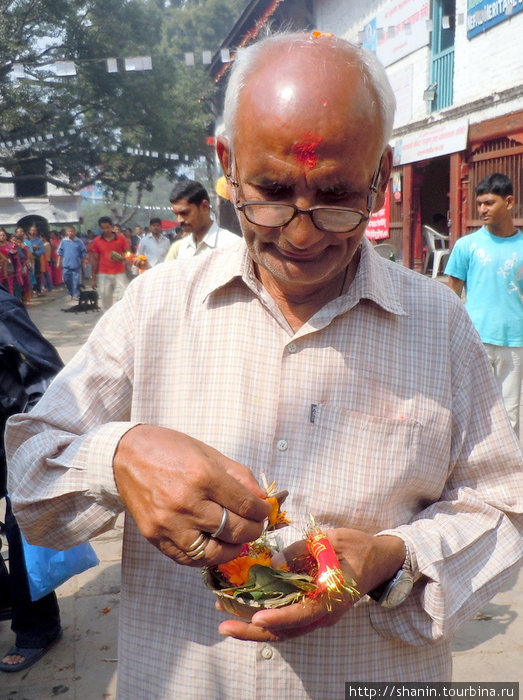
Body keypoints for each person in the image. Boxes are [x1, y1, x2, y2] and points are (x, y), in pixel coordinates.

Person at [5, 32, 522, 697]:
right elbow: (31, 480)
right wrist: (117, 456)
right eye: (271, 192)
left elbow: (502, 508)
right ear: (225, 161)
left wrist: (391, 559)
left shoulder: (439, 323)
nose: (302, 235)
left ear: (379, 171)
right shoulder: (155, 308)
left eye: (338, 195)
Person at [0, 286, 63, 672]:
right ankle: (6, 596)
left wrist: (29, 438)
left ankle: (38, 627)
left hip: (9, 437)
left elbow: (50, 372)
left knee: (20, 529)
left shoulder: (2, 308)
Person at [445, 173, 523, 437]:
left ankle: (505, 472)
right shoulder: (467, 246)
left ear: (509, 202)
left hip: (514, 343)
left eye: (489, 203)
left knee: (509, 415)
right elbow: (450, 294)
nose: (482, 210)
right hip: (474, 340)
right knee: (468, 411)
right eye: (479, 204)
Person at [165, 180, 239, 260]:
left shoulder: (232, 244)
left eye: (185, 213)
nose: (179, 220)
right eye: (176, 214)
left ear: (204, 207)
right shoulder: (184, 247)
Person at [89, 216, 129, 310]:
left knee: (123, 297)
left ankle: (121, 318)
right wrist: (93, 278)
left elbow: (128, 252)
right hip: (104, 274)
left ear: (111, 226)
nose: (106, 230)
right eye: (103, 228)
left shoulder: (121, 239)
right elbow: (95, 260)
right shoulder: (97, 241)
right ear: (100, 228)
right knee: (106, 301)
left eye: (107, 227)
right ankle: (108, 321)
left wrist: (123, 257)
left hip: (119, 273)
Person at [57, 226, 88, 299]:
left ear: (75, 232)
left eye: (72, 231)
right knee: (66, 280)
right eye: (69, 231)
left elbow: (83, 252)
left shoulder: (79, 242)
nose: (71, 233)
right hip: (66, 265)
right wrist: (58, 262)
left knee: (75, 281)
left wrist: (84, 262)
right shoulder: (64, 241)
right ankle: (70, 291)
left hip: (76, 265)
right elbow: (60, 252)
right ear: (67, 232)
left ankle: (75, 294)